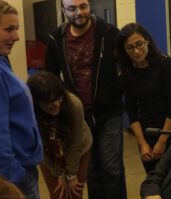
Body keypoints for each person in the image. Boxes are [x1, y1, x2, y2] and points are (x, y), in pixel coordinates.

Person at [44, 0, 126, 198]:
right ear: (64, 10)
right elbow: (50, 76)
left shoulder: (109, 33)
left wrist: (114, 90)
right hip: (78, 116)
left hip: (109, 113)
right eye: (72, 8)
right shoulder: (57, 38)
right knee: (91, 171)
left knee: (112, 169)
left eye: (83, 6)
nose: (79, 12)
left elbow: (126, 67)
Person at [115, 23, 171, 174]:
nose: (136, 51)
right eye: (130, 47)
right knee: (153, 180)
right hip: (147, 132)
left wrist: (162, 141)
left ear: (147, 40)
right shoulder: (126, 73)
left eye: (139, 44)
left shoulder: (166, 64)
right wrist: (142, 143)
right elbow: (131, 110)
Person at [0, 0, 44, 198]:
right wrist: (15, 175)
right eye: (9, 29)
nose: (16, 36)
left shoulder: (1, 61)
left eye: (17, 29)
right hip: (12, 175)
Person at [27, 71, 93, 199]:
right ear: (37, 102)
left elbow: (76, 141)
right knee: (58, 193)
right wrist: (58, 173)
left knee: (75, 192)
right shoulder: (30, 113)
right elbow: (40, 147)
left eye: (59, 98)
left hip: (79, 148)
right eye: (49, 101)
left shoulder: (74, 104)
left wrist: (71, 174)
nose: (56, 104)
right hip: (48, 152)